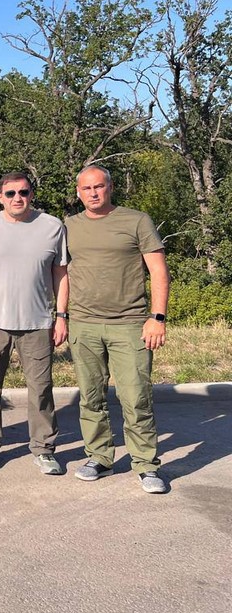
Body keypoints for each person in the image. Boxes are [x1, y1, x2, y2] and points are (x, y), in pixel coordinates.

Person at [65, 165, 171, 494]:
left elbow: (159, 270)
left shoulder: (136, 221)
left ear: (110, 188)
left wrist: (157, 317)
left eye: (99, 186)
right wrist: (60, 315)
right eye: (86, 188)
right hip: (83, 323)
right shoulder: (69, 226)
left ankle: (146, 464)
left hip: (130, 324)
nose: (93, 193)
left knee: (136, 397)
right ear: (78, 192)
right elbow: (60, 272)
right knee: (91, 398)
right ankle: (99, 457)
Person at [0, 172, 68, 474]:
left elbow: (61, 274)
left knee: (41, 389)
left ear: (31, 194)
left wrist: (62, 316)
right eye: (11, 193)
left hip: (38, 322)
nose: (18, 198)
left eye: (24, 192)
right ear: (0, 197)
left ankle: (44, 449)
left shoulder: (52, 226)